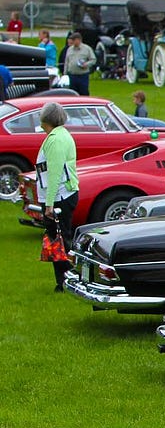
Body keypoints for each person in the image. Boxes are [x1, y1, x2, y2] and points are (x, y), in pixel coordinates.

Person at [36, 102, 79, 292]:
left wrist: (49, 204)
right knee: (61, 237)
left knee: (60, 239)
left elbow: (54, 174)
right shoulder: (61, 135)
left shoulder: (55, 140)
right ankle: (66, 279)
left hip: (60, 196)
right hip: (65, 193)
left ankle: (65, 280)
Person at [62, 31, 96, 96]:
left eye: (74, 40)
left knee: (84, 93)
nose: (72, 41)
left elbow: (93, 59)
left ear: (79, 40)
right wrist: (65, 74)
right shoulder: (69, 49)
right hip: (72, 75)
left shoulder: (87, 49)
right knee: (72, 93)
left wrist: (86, 64)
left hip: (82, 75)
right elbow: (67, 62)